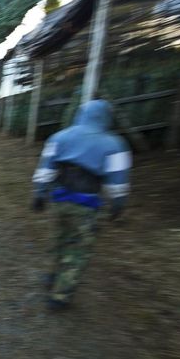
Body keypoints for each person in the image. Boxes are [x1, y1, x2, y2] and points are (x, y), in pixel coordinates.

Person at [31, 99, 131, 310]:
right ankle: (60, 295)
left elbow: (46, 170)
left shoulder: (60, 137)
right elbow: (118, 180)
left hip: (60, 200)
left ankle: (52, 276)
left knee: (59, 239)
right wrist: (118, 204)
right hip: (86, 204)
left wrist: (39, 194)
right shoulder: (114, 144)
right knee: (77, 250)